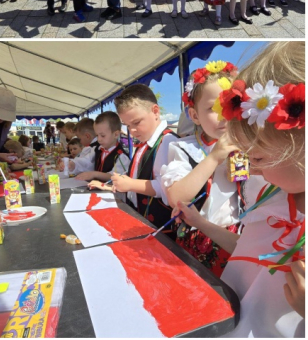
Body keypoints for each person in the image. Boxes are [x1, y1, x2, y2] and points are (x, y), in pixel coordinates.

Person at [176, 43, 304, 337]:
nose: (253, 170)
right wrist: (199, 222)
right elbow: (248, 250)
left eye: (257, 158)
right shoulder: (273, 195)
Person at [160, 60, 243, 276]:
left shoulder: (249, 146)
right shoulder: (184, 148)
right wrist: (214, 157)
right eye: (215, 108)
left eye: (233, 104)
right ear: (194, 115)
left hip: (238, 239)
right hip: (196, 237)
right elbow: (175, 196)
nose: (225, 115)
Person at [110, 84, 176, 229]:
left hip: (161, 228)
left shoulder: (169, 142)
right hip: (141, 219)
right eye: (127, 125)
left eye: (136, 122)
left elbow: (167, 188)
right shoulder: (144, 143)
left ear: (155, 111)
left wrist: (130, 184)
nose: (131, 130)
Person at [76, 112, 130, 183]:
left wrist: (94, 174)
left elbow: (116, 176)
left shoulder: (121, 156)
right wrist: (73, 164)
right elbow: (86, 160)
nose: (99, 139)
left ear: (116, 134)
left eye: (103, 136)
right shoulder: (97, 149)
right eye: (97, 135)